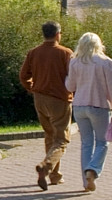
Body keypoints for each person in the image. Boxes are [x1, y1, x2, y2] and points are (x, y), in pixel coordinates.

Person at [64, 32, 112, 192]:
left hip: (79, 106)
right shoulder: (106, 62)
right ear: (99, 45)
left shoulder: (75, 62)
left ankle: (86, 181)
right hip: (99, 106)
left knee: (86, 143)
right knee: (102, 142)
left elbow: (70, 87)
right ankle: (92, 169)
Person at [19, 21, 73, 191]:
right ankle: (47, 166)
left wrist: (31, 87)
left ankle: (55, 176)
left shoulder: (34, 53)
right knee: (62, 139)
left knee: (49, 135)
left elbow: (23, 75)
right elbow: (73, 77)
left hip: (40, 98)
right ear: (58, 34)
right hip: (59, 99)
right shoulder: (65, 53)